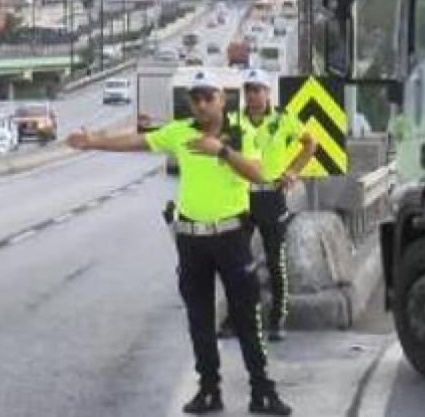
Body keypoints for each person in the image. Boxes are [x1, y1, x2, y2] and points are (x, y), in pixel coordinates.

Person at [67, 69, 292, 415]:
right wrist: (93, 141)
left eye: (208, 97)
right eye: (195, 98)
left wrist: (221, 150)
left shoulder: (242, 130)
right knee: (199, 319)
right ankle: (209, 390)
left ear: (222, 99)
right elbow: (139, 141)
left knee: (246, 316)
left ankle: (262, 390)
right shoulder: (181, 131)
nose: (201, 105)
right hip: (191, 241)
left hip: (232, 237)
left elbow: (257, 172)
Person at [219, 69, 318, 342]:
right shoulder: (233, 120)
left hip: (272, 197)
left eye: (258, 89)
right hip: (241, 197)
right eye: (249, 90)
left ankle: (277, 319)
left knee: (275, 261)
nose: (253, 95)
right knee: (236, 261)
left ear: (267, 93)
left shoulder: (282, 119)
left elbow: (311, 143)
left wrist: (294, 171)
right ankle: (234, 318)